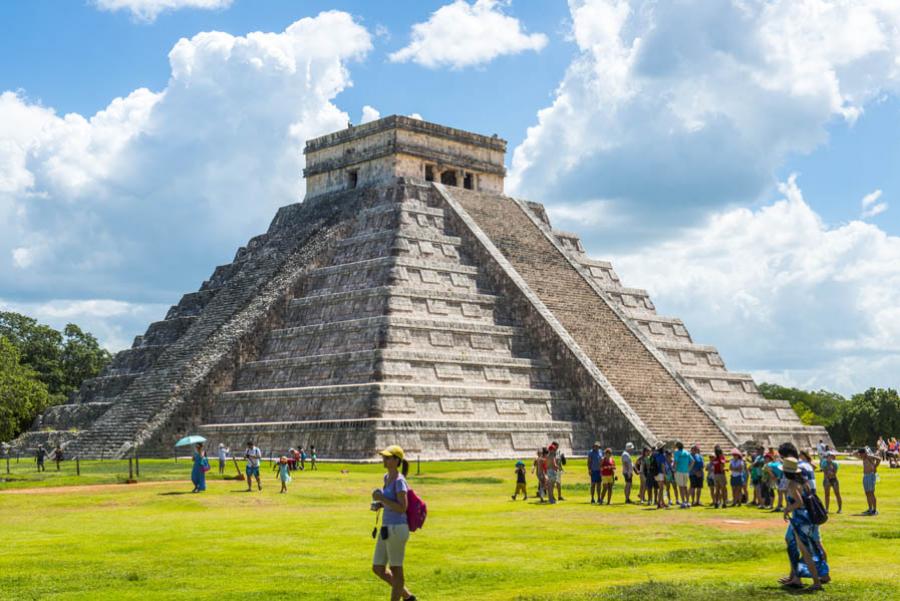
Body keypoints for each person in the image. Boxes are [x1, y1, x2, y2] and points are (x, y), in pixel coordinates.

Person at [371, 445, 417, 601]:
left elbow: (402, 507)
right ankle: (408, 597)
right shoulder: (386, 477)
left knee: (396, 570)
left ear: (396, 461)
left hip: (397, 529)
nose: (384, 459)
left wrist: (382, 498)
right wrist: (380, 505)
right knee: (378, 568)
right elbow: (391, 503)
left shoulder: (399, 481)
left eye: (388, 457)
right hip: (386, 527)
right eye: (384, 457)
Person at [780, 457, 829, 591]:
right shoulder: (804, 481)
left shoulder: (792, 484)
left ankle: (816, 583)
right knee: (811, 547)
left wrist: (787, 509)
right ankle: (805, 577)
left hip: (801, 520)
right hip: (809, 518)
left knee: (806, 552)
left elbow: (799, 502)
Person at [858, 447, 881, 515]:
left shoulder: (869, 456)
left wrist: (875, 466)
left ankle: (874, 510)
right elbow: (854, 453)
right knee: (867, 493)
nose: (860, 456)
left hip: (870, 475)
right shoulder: (864, 457)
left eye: (861, 454)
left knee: (871, 493)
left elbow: (879, 459)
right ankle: (870, 509)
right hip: (865, 476)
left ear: (864, 453)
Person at [673, 442, 692, 509]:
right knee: (685, 487)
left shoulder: (677, 453)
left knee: (681, 487)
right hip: (686, 472)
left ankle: (683, 502)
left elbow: (675, 462)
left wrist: (674, 469)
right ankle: (687, 502)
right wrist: (689, 469)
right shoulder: (687, 452)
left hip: (679, 471)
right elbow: (693, 461)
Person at [652, 444, 668, 509]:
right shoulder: (662, 456)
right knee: (661, 489)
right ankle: (659, 503)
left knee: (660, 488)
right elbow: (662, 466)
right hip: (660, 473)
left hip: (655, 473)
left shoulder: (655, 455)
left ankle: (662, 503)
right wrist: (665, 475)